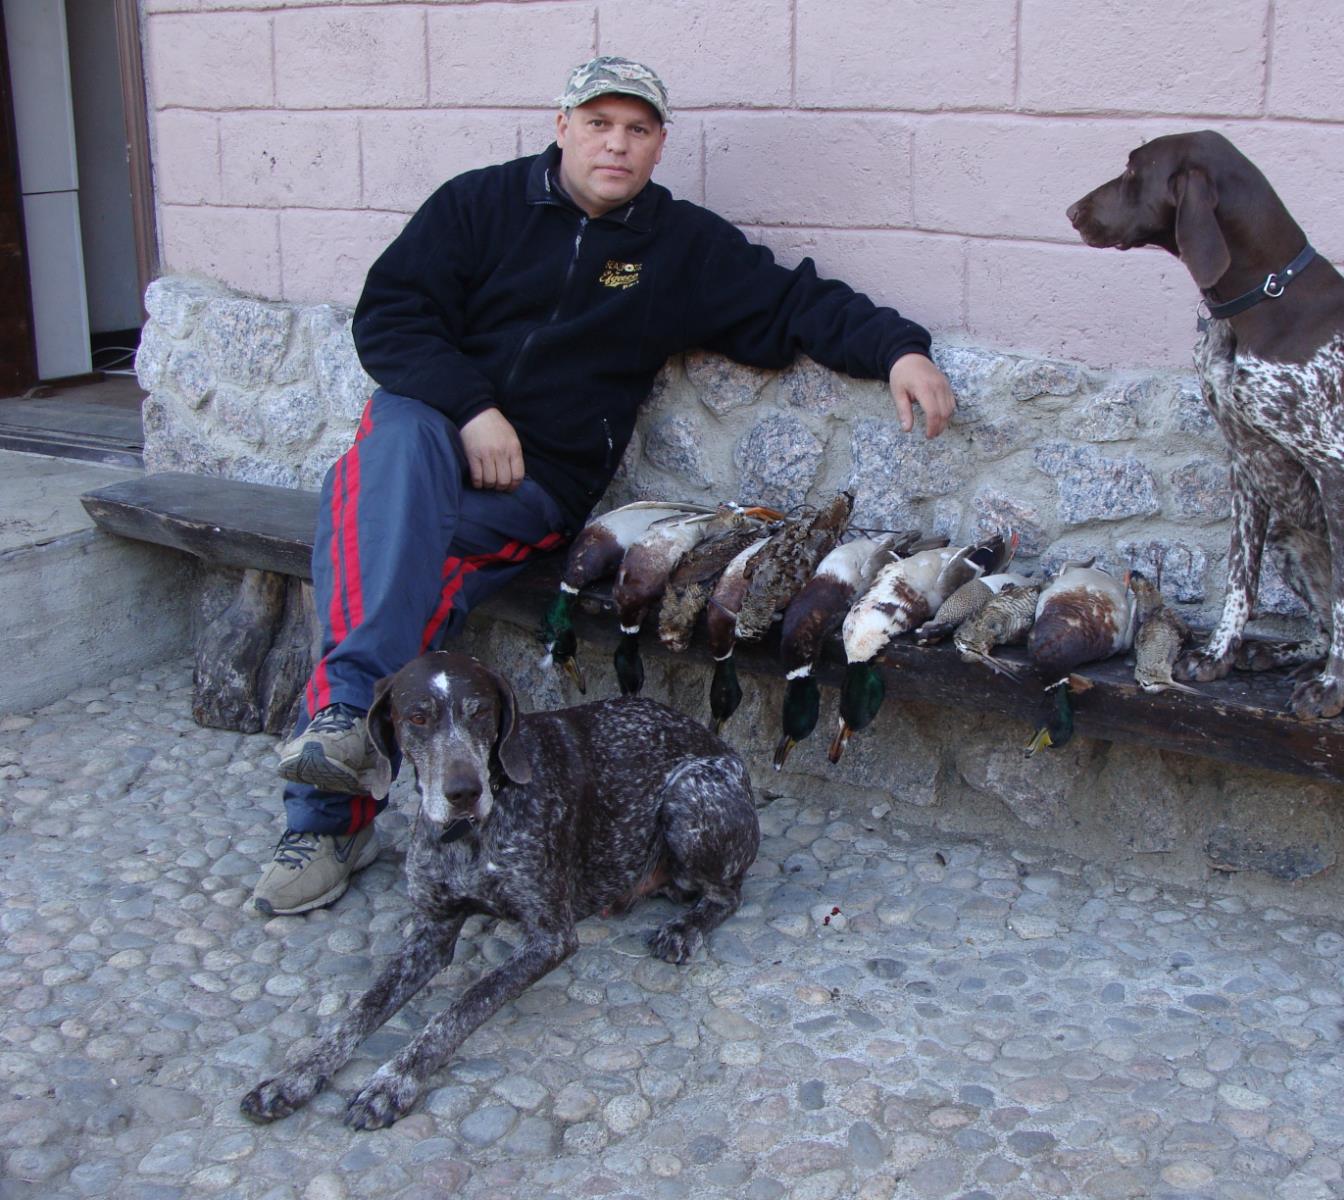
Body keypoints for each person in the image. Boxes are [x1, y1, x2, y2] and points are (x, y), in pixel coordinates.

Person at [250, 56, 957, 916]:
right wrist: (472, 410)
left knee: (373, 543)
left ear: (659, 144)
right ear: (562, 128)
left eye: (636, 129)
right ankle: (340, 753)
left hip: (531, 489)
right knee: (393, 442)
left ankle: (330, 801)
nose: (615, 144)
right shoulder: (476, 206)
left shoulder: (679, 247)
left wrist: (900, 349)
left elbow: (793, 303)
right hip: (432, 446)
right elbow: (393, 317)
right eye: (597, 124)